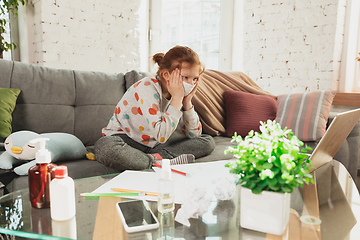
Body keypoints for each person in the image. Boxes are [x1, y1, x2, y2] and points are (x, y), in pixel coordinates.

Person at [94, 45, 215, 171]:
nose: (191, 84)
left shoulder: (178, 96)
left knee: (207, 141)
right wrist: (177, 99)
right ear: (166, 75)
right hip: (127, 140)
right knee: (104, 147)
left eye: (195, 79)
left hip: (154, 146)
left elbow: (194, 135)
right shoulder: (147, 87)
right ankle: (157, 162)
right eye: (185, 77)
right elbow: (161, 135)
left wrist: (186, 102)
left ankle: (152, 159)